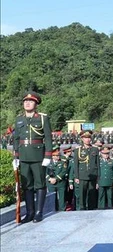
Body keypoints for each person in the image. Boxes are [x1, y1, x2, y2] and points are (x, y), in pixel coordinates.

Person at [12, 91, 53, 223]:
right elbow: (16, 139)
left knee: (40, 184)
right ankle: (29, 213)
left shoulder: (42, 118)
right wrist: (16, 157)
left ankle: (38, 212)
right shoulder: (19, 119)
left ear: (36, 104)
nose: (27, 103)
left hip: (38, 156)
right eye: (25, 101)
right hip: (23, 156)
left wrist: (48, 155)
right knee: (27, 185)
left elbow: (48, 137)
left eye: (31, 101)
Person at [73, 130, 99, 210]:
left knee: (92, 195)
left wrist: (98, 177)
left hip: (93, 175)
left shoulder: (95, 149)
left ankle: (91, 210)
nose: (87, 139)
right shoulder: (78, 150)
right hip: (82, 175)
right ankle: (82, 209)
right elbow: (76, 164)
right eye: (85, 138)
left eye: (89, 138)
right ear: (82, 139)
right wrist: (76, 176)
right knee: (82, 194)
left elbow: (97, 164)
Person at [46, 145, 68, 211]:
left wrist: (56, 179)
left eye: (58, 155)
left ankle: (62, 210)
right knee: (52, 198)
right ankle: (53, 210)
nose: (58, 157)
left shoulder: (63, 161)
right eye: (56, 155)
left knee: (62, 198)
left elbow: (64, 171)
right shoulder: (47, 161)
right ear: (52, 155)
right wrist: (49, 178)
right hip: (50, 183)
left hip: (60, 182)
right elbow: (44, 171)